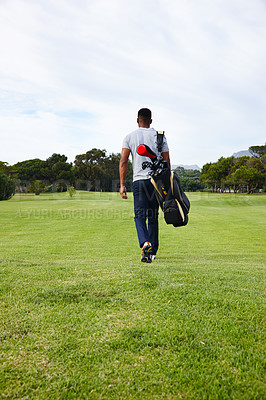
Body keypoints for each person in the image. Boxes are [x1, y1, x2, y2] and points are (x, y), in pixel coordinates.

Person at [119, 108, 170, 262]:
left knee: (139, 216)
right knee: (153, 216)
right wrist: (167, 184)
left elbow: (123, 161)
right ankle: (152, 252)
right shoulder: (160, 136)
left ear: (137, 120)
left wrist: (122, 184)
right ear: (151, 121)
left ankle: (145, 242)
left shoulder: (129, 137)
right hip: (157, 181)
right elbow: (167, 161)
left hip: (139, 181)